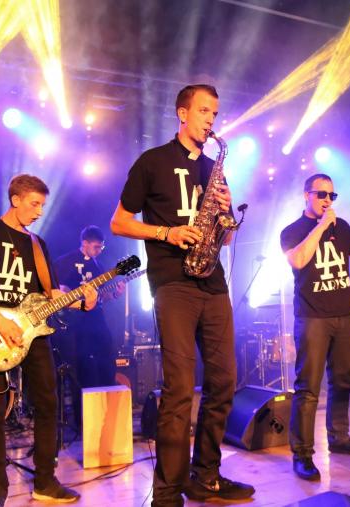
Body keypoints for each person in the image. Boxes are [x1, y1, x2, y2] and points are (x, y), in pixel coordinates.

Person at [110, 84, 254, 506]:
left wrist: (225, 213)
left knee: (224, 382)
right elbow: (119, 222)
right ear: (182, 113)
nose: (211, 120)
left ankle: (205, 476)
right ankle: (167, 493)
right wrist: (167, 232)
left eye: (215, 113)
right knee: (178, 389)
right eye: (204, 111)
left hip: (213, 283)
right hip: (173, 283)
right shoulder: (152, 161)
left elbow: (227, 239)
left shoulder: (214, 168)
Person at [0, 174, 96, 506]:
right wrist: (1, 321)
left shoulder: (37, 244)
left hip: (33, 332)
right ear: (15, 200)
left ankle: (45, 481)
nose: (40, 211)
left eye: (43, 205)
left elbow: (51, 295)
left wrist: (83, 301)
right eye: (34, 204)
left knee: (48, 403)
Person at [280, 173, 350, 482]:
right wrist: (322, 226)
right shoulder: (292, 230)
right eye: (321, 194)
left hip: (343, 316)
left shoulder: (343, 227)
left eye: (332, 196)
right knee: (308, 388)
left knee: (343, 380)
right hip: (312, 318)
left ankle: (339, 437)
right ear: (307, 195)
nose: (327, 200)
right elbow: (299, 260)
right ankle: (302, 454)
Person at [53, 225, 124, 426]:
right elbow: (58, 291)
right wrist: (74, 299)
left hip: (96, 321)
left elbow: (101, 297)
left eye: (101, 247)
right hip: (74, 323)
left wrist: (115, 294)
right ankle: (82, 420)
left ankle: (106, 415)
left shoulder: (99, 267)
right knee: (81, 368)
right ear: (84, 243)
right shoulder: (66, 262)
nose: (99, 251)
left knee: (107, 360)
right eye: (96, 247)